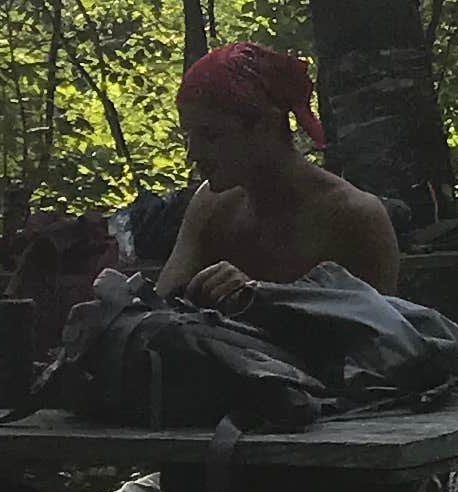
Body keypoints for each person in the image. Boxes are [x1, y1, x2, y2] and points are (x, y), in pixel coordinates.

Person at [154, 42, 399, 303]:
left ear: (266, 125)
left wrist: (261, 301)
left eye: (210, 135)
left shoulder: (355, 217)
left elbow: (378, 335)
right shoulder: (211, 205)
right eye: (188, 136)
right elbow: (160, 306)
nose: (193, 154)